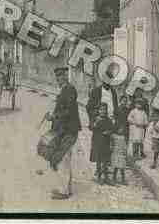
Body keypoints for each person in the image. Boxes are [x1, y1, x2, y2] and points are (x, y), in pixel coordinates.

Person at [45, 67, 81, 200]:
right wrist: (53, 115)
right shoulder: (65, 90)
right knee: (65, 158)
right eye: (57, 78)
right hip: (64, 129)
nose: (58, 80)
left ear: (65, 77)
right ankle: (67, 188)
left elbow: (68, 112)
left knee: (63, 159)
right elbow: (63, 109)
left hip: (68, 130)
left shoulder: (69, 90)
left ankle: (64, 191)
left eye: (60, 77)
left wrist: (54, 117)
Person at [86, 78, 118, 179]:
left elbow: (115, 106)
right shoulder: (96, 91)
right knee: (99, 147)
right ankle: (98, 169)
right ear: (102, 80)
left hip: (110, 120)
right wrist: (95, 117)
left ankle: (106, 167)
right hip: (99, 121)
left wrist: (115, 119)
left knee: (109, 146)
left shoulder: (113, 91)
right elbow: (88, 107)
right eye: (106, 80)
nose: (108, 83)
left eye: (110, 81)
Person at [91, 103, 113, 185]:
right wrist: (95, 123)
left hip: (106, 142)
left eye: (104, 109)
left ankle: (106, 177)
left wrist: (109, 132)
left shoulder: (108, 120)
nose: (103, 111)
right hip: (97, 141)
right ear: (98, 110)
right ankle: (99, 176)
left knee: (105, 160)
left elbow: (112, 128)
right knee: (98, 159)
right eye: (101, 109)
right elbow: (91, 127)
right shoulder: (96, 119)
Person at [111, 110, 128, 185]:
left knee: (122, 168)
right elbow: (111, 142)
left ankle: (123, 179)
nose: (122, 130)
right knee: (115, 167)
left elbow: (124, 146)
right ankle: (114, 178)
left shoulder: (123, 137)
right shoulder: (114, 136)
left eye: (122, 129)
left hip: (121, 154)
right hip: (115, 153)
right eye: (120, 129)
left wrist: (125, 152)